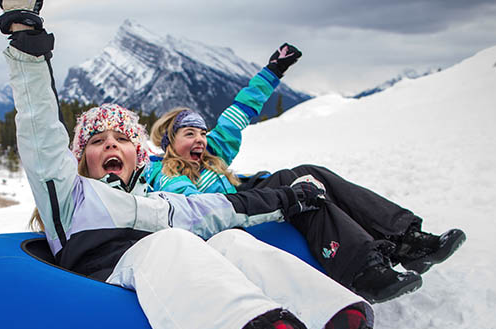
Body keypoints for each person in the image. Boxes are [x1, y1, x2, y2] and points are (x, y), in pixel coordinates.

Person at [0, 2, 466, 329]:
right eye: (97, 140)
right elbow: (38, 130)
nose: (109, 146)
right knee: (171, 245)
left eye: (120, 138)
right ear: (81, 157)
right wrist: (25, 44)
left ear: (140, 155)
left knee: (233, 244)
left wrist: (289, 198)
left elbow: (220, 209)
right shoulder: (69, 195)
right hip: (105, 285)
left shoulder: (160, 203)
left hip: (173, 277)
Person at [145, 53, 466, 303]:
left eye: (202, 132)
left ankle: (405, 240)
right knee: (301, 192)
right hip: (230, 221)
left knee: (308, 175)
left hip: (250, 197)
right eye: (189, 133)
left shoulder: (213, 153)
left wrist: (273, 70)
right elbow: (201, 209)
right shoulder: (165, 175)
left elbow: (241, 109)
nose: (200, 139)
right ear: (169, 143)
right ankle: (364, 271)